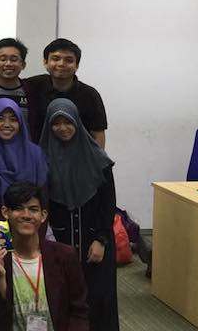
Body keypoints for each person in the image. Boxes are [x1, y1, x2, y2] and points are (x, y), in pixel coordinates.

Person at [40, 99, 118, 331]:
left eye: (68, 122)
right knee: (63, 296)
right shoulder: (42, 159)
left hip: (94, 240)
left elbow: (107, 204)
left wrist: (101, 239)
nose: (62, 128)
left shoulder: (98, 160)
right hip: (59, 242)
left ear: (77, 122)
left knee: (98, 298)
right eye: (56, 123)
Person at [0, 182, 88, 331]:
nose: (26, 215)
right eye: (18, 208)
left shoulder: (65, 256)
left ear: (43, 215)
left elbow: (79, 310)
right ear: (5, 212)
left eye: (33, 209)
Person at [25, 39, 107, 148]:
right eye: (56, 59)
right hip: (39, 158)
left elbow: (98, 134)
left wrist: (97, 162)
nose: (61, 64)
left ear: (77, 65)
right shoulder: (31, 86)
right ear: (45, 62)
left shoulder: (90, 95)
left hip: (77, 158)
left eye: (69, 60)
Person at [0, 98, 47, 221]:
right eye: (0, 119)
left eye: (13, 119)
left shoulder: (35, 154)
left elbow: (42, 196)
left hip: (32, 224)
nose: (7, 124)